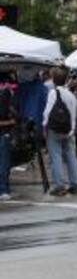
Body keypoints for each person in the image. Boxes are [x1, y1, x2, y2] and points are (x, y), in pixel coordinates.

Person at [42, 68, 77, 197]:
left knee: (56, 156)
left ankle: (59, 185)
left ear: (53, 80)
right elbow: (74, 114)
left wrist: (44, 126)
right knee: (70, 155)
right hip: (68, 129)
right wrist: (72, 129)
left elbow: (47, 112)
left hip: (55, 129)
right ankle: (75, 182)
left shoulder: (53, 93)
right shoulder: (71, 95)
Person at [0, 72, 16, 201]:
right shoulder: (7, 95)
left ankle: (4, 188)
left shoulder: (6, 94)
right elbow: (13, 117)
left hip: (4, 131)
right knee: (4, 162)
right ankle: (4, 189)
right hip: (4, 132)